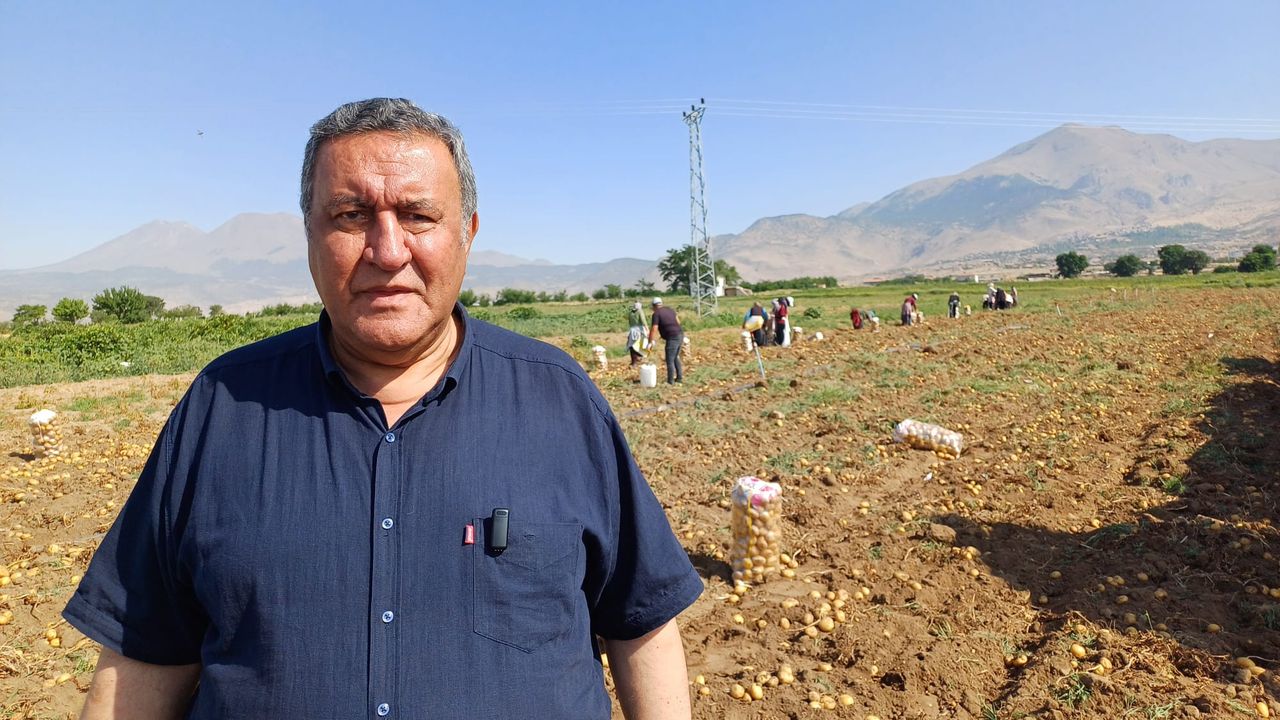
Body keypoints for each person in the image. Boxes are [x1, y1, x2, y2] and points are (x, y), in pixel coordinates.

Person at [63, 98, 702, 720]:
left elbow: (641, 623)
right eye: (351, 215)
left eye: (418, 215)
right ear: (310, 234)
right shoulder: (221, 406)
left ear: (468, 233)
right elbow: (145, 655)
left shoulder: (559, 398)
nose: (388, 250)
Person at [648, 297, 684, 384]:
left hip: (672, 337)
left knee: (669, 359)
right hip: (680, 334)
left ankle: (670, 381)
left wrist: (650, 341)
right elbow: (678, 322)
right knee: (675, 357)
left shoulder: (656, 314)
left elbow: (654, 328)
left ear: (654, 306)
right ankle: (679, 378)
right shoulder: (670, 310)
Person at [627, 301, 647, 366]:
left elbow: (629, 322)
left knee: (632, 346)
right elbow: (643, 321)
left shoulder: (630, 313)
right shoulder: (640, 311)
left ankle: (634, 361)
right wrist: (647, 329)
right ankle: (639, 357)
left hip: (632, 330)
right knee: (641, 344)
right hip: (639, 329)